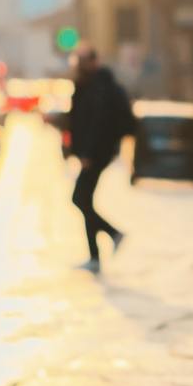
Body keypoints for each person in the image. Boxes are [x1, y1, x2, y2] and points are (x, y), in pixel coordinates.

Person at [68, 45, 132, 272]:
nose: (79, 65)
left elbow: (97, 124)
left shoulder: (100, 87)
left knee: (80, 198)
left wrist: (88, 152)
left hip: (96, 153)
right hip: (91, 152)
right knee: (84, 200)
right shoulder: (86, 85)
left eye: (83, 60)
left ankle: (113, 233)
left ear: (93, 62)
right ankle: (95, 256)